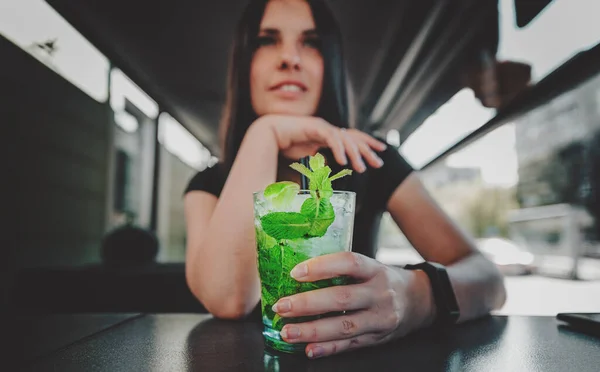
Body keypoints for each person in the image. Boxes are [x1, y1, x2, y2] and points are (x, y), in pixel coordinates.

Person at [184, 0, 506, 359]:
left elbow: (490, 281)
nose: (289, 58)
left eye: (312, 42)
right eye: (266, 41)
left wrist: (417, 297)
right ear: (244, 66)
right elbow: (227, 300)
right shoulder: (209, 184)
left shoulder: (370, 158)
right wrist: (265, 132)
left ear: (331, 64)